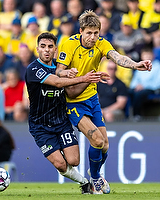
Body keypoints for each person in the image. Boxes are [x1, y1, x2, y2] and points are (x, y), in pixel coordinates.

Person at [56, 10, 152, 194]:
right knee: (98, 141)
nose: (93, 37)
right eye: (89, 33)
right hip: (73, 101)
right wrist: (67, 73)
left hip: (92, 98)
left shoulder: (101, 43)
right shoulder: (69, 45)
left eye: (96, 33)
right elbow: (58, 71)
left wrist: (136, 64)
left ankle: (94, 175)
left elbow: (118, 57)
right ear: (81, 31)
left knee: (105, 145)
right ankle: (94, 180)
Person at [26, 32, 104, 194]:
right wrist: (83, 78)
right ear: (37, 49)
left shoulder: (61, 67)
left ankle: (85, 178)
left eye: (50, 47)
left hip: (61, 122)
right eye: (43, 46)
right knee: (61, 164)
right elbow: (57, 82)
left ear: (55, 50)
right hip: (40, 125)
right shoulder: (33, 69)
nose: (46, 50)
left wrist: (90, 78)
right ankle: (84, 183)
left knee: (74, 161)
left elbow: (72, 92)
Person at [128, 47, 160, 118]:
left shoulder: (158, 66)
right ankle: (127, 115)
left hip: (152, 89)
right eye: (145, 55)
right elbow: (134, 82)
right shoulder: (139, 66)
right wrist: (136, 86)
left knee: (139, 94)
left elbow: (158, 84)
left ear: (153, 56)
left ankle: (136, 115)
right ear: (141, 56)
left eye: (149, 55)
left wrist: (143, 86)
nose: (147, 57)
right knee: (129, 92)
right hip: (139, 88)